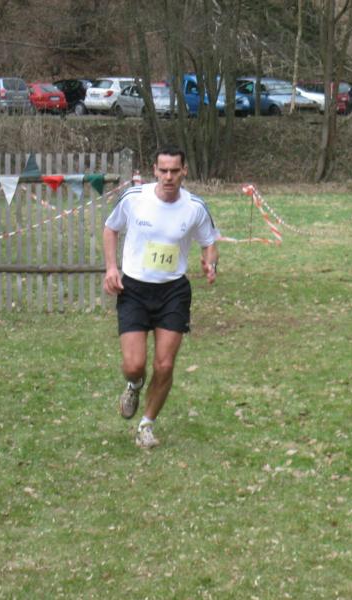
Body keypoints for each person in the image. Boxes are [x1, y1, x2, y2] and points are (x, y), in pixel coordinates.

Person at [103, 145, 219, 449]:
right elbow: (110, 228)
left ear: (184, 171)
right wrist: (112, 268)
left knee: (165, 365)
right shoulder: (134, 199)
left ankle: (146, 425)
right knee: (134, 364)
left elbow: (209, 242)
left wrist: (211, 263)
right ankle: (134, 385)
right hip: (134, 290)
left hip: (173, 292)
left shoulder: (195, 207)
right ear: (154, 170)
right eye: (163, 170)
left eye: (174, 171)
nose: (168, 177)